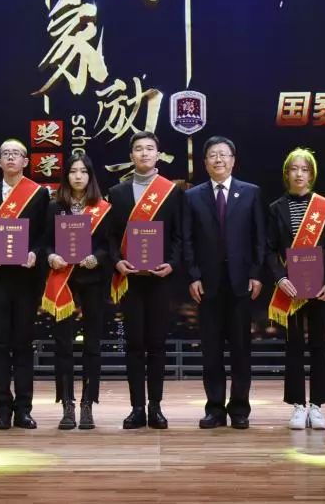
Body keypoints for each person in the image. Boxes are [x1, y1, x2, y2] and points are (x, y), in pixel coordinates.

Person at [183, 136, 265, 430]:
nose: (218, 159)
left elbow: (259, 238)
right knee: (211, 350)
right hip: (208, 285)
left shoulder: (251, 193)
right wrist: (193, 275)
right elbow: (188, 240)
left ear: (233, 160)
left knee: (241, 349)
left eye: (224, 154)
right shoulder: (192, 196)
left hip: (242, 283)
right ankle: (214, 409)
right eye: (212, 155)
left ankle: (240, 409)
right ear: (205, 163)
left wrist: (256, 273)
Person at [107, 131, 183, 430]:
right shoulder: (118, 193)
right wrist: (117, 261)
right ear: (131, 156)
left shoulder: (171, 191)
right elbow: (111, 237)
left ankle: (156, 407)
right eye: (138, 149)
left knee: (157, 344)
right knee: (134, 344)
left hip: (159, 279)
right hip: (130, 280)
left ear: (158, 154)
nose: (144, 153)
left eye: (150, 148)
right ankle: (137, 407)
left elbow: (179, 235)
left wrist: (172, 264)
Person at [0, 139, 49, 429]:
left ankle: (24, 409)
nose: (10, 158)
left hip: (26, 280)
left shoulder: (38, 194)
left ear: (25, 162)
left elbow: (44, 234)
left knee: (23, 345)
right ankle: (2, 409)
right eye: (5, 153)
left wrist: (35, 253)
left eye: (15, 154)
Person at [266, 147, 325, 430]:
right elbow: (269, 250)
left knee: (319, 346)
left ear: (312, 174)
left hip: (319, 288)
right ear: (286, 174)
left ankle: (317, 406)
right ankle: (297, 405)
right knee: (293, 346)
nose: (299, 174)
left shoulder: (324, 207)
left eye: (304, 169)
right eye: (294, 169)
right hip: (291, 288)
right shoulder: (276, 208)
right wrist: (280, 279)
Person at [42, 154, 114, 430]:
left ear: (90, 176)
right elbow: (44, 243)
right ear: (66, 176)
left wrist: (97, 258)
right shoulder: (54, 207)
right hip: (63, 281)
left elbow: (110, 244)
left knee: (92, 345)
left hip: (93, 280)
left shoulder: (102, 208)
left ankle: (87, 404)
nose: (78, 176)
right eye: (73, 171)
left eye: (83, 171)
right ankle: (67, 405)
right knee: (63, 345)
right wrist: (51, 257)